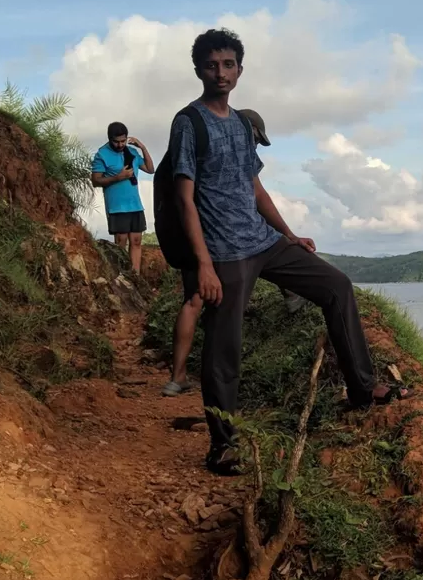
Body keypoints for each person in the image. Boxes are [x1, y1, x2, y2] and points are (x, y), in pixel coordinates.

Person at [170, 28, 407, 474]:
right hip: (223, 252)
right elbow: (185, 198)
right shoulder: (189, 122)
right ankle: (223, 445)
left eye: (228, 64)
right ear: (198, 69)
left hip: (264, 241)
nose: (220, 73)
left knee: (336, 285)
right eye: (211, 65)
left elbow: (253, 185)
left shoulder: (242, 123)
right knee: (225, 348)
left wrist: (290, 234)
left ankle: (363, 388)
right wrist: (203, 264)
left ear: (240, 69)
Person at [162, 106, 302, 398]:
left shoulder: (185, 148)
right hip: (207, 237)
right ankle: (290, 294)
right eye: (253, 139)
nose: (252, 147)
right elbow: (252, 208)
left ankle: (177, 378)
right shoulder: (217, 147)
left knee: (193, 301)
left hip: (182, 234)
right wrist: (287, 235)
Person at [91, 122, 155, 274]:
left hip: (135, 205)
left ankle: (135, 276)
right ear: (110, 139)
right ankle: (120, 276)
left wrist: (143, 147)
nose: (120, 145)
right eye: (116, 141)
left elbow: (150, 169)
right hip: (116, 206)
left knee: (136, 240)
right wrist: (118, 177)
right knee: (121, 242)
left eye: (123, 141)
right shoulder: (102, 154)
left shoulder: (132, 152)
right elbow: (95, 180)